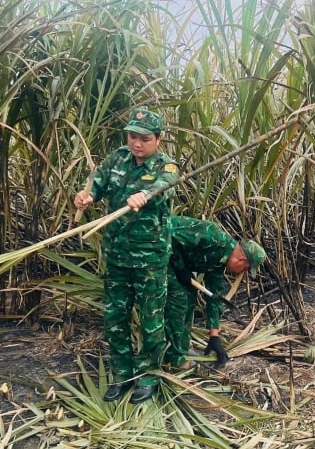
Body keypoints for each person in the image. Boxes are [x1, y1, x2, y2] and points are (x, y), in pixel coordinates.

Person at [73, 108, 179, 404]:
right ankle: (122, 374)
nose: (137, 143)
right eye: (133, 136)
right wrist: (87, 196)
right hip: (117, 256)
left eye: (144, 138)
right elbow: (98, 182)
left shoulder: (166, 167)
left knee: (150, 320)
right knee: (115, 317)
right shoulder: (117, 158)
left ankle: (148, 377)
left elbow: (165, 187)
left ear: (158, 139)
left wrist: (146, 194)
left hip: (150, 259)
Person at [165, 216, 266, 369]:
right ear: (241, 259)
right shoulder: (212, 237)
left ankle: (182, 347)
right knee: (179, 300)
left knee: (190, 296)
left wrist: (214, 336)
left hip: (177, 264)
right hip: (159, 254)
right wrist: (179, 266)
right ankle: (176, 358)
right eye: (245, 269)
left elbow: (214, 297)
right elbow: (168, 232)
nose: (242, 273)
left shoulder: (219, 263)